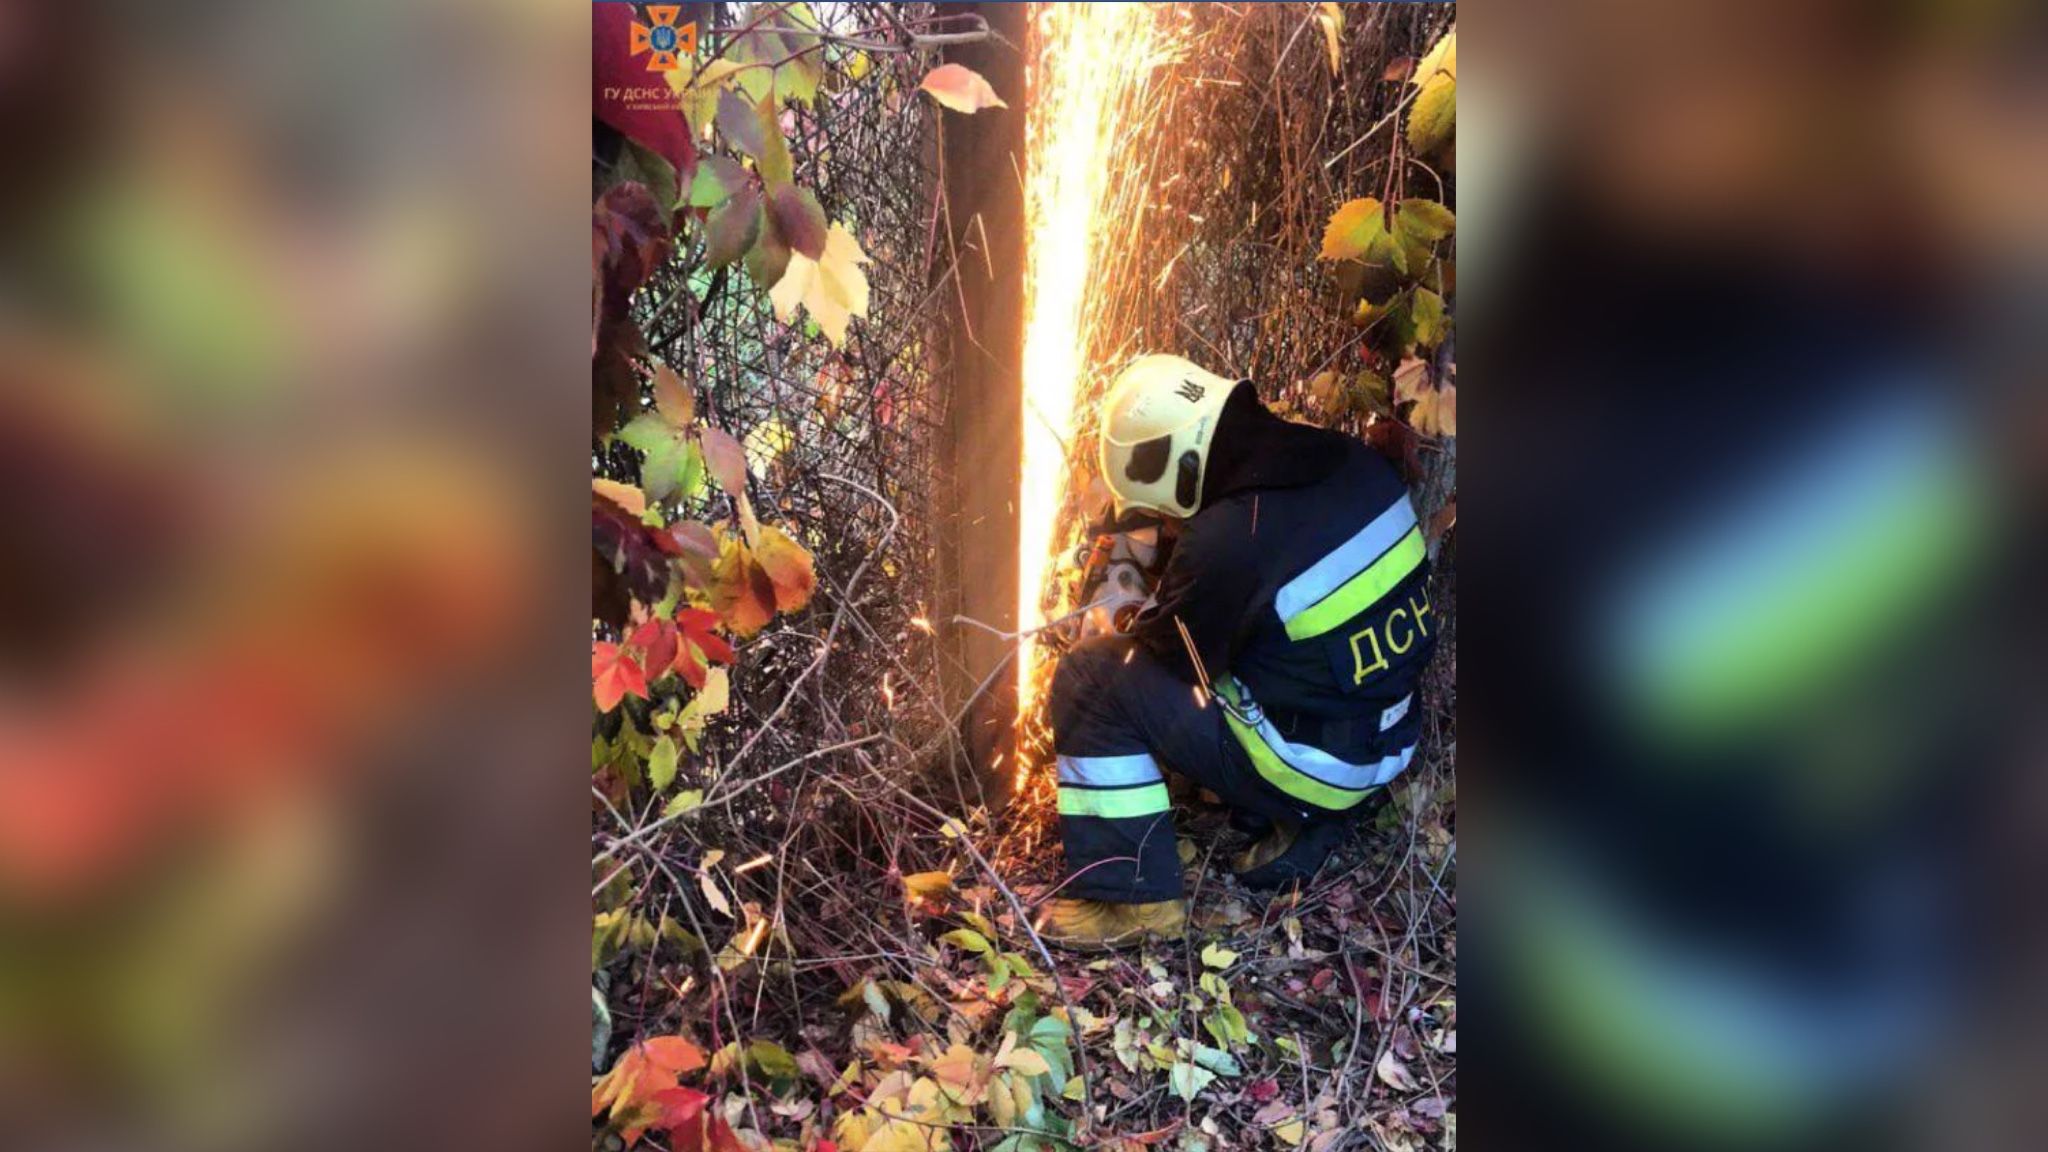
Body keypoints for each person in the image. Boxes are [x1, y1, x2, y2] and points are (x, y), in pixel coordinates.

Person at [1039, 354, 1439, 950]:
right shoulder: (1346, 462)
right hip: (1392, 736)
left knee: (1092, 680)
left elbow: (1177, 663)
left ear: (1177, 463)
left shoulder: (1231, 538)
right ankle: (1308, 821)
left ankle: (1134, 899)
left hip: (1319, 765)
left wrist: (1121, 610)